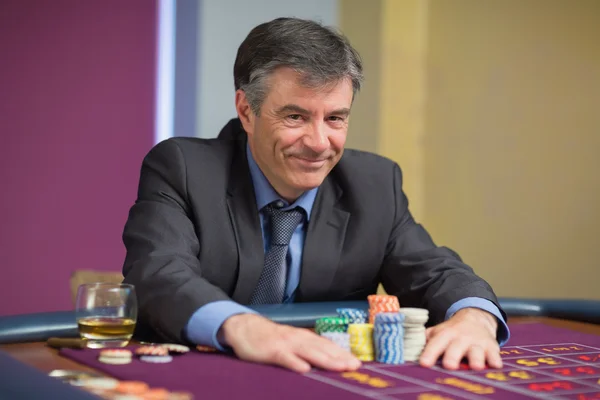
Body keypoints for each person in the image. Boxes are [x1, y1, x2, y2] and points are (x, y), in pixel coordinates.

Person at [122, 17, 509, 374]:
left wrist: (475, 317)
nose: (319, 143)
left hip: (324, 378)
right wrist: (244, 327)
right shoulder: (182, 167)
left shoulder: (374, 183)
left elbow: (435, 272)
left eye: (335, 118)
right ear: (246, 110)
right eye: (295, 117)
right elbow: (159, 276)